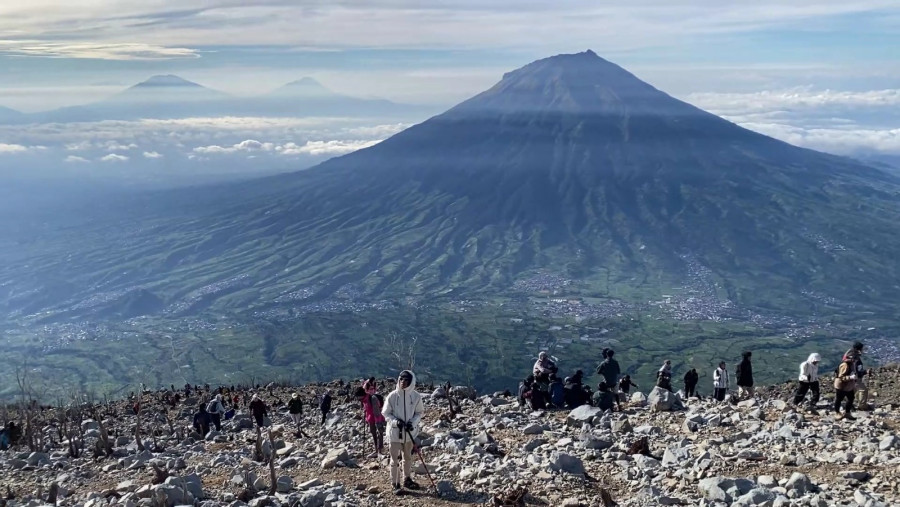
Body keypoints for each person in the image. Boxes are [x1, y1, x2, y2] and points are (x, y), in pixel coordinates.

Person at [382, 370, 424, 495]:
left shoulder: (416, 396)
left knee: (407, 457)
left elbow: (419, 412)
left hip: (409, 434)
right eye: (401, 379)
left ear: (411, 382)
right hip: (395, 433)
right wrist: (396, 422)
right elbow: (386, 413)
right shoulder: (392, 396)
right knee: (394, 459)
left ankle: (407, 479)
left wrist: (413, 423)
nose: (403, 382)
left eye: (406, 380)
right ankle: (395, 483)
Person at [360, 384, 386, 458]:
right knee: (374, 434)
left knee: (379, 433)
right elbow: (366, 408)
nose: (372, 390)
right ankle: (376, 450)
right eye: (370, 389)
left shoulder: (374, 398)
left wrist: (379, 420)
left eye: (373, 389)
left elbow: (378, 409)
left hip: (377, 418)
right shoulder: (365, 399)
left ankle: (380, 450)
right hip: (370, 418)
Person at [844, 342, 869, 409]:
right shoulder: (856, 358)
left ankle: (849, 405)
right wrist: (866, 372)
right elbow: (858, 371)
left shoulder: (849, 355)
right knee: (863, 390)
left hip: (848, 377)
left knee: (853, 391)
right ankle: (862, 406)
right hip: (855, 378)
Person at [834, 353, 858, 420]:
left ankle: (847, 412)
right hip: (842, 386)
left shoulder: (851, 364)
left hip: (848, 386)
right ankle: (837, 412)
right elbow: (840, 376)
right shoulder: (845, 365)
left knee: (851, 398)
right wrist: (850, 377)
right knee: (839, 399)